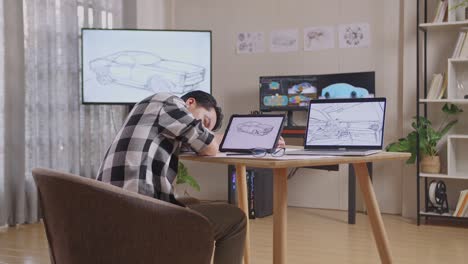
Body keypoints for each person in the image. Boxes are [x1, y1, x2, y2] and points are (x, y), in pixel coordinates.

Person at [96, 91, 246, 264]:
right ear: (190, 102)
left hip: (112, 209)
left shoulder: (153, 111)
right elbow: (208, 146)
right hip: (139, 212)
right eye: (204, 122)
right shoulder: (169, 101)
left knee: (193, 203)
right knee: (235, 219)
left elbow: (203, 141)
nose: (202, 129)